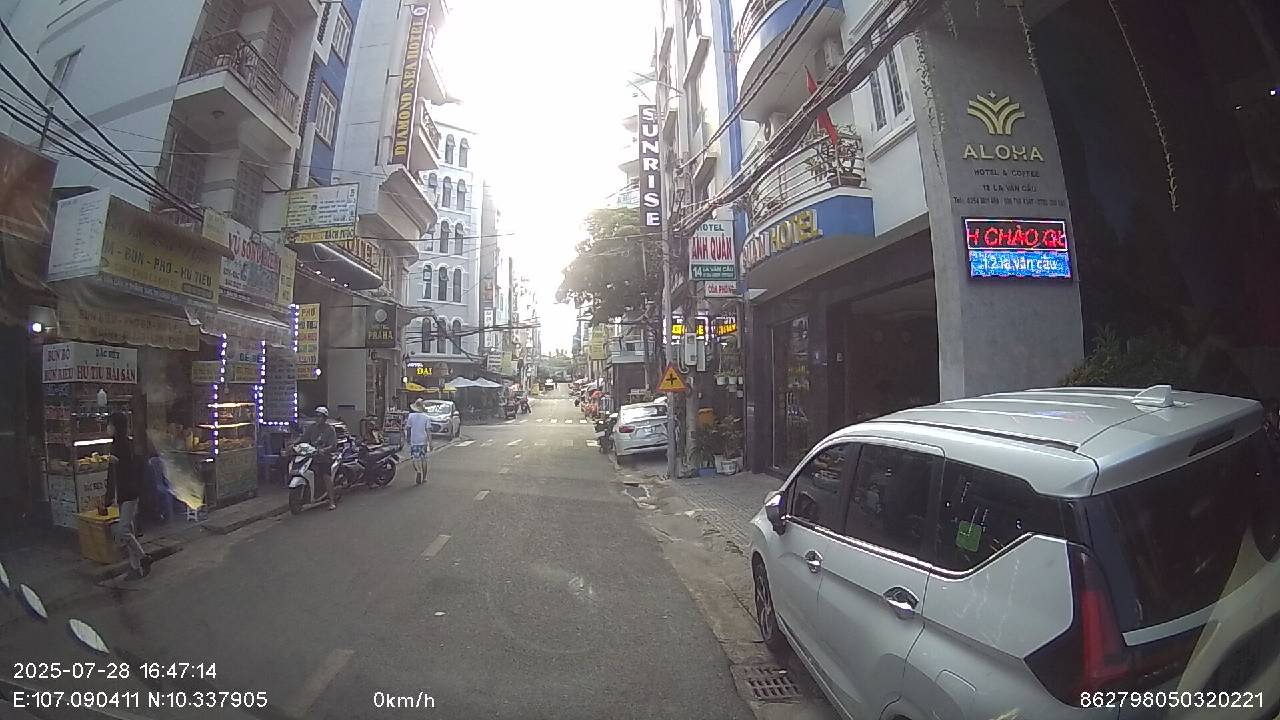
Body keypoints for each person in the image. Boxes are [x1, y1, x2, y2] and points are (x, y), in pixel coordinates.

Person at [100, 412, 150, 580]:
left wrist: (120, 463)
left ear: (116, 426)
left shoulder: (125, 446)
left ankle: (143, 558)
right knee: (129, 530)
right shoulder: (118, 445)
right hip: (124, 493)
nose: (108, 428)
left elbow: (128, 470)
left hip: (129, 493)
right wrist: (109, 497)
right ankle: (136, 568)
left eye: (110, 424)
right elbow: (113, 474)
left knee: (123, 531)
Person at [300, 406, 339, 510]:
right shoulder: (312, 428)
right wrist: (293, 444)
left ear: (325, 418)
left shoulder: (330, 429)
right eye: (316, 416)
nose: (317, 418)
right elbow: (303, 438)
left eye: (320, 416)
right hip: (311, 456)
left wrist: (324, 450)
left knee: (326, 476)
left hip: (324, 457)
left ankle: (331, 501)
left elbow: (333, 445)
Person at [405, 399, 432, 485]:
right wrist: (430, 442)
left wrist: (408, 438)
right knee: (423, 459)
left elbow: (408, 428)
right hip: (423, 440)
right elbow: (428, 431)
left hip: (414, 440)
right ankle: (424, 478)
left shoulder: (411, 416)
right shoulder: (426, 417)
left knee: (415, 458)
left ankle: (418, 470)